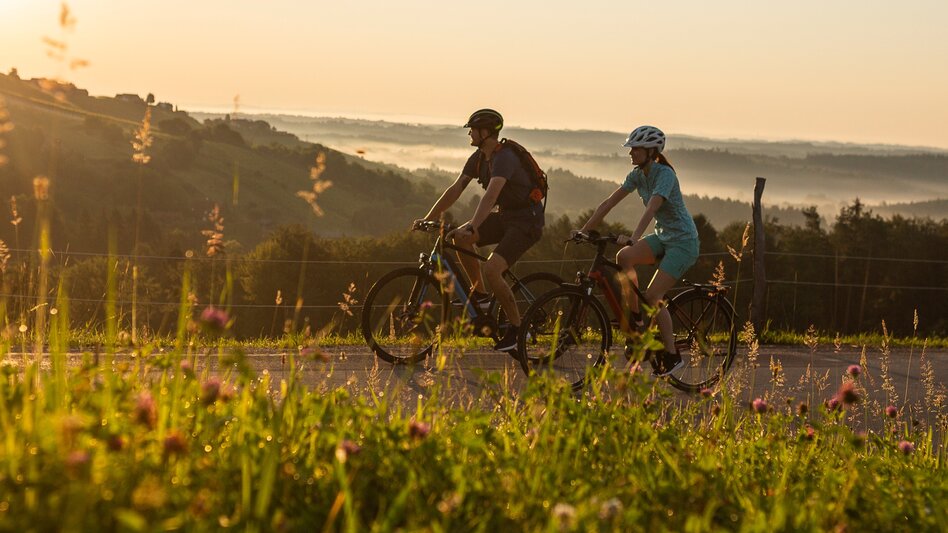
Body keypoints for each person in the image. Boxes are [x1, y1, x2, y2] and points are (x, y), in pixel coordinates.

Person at [414, 109, 545, 353]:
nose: (469, 133)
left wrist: (473, 225)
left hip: (527, 220)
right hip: (506, 216)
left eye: (472, 130)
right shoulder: (477, 159)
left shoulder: (504, 157)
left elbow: (491, 195)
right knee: (461, 239)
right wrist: (428, 218)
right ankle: (482, 297)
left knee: (492, 268)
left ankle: (517, 330)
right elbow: (455, 189)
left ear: (485, 132)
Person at [574, 125, 699, 375]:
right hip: (664, 237)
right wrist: (585, 230)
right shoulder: (637, 175)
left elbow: (652, 208)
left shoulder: (665, 174)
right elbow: (609, 202)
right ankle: (637, 320)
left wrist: (634, 237)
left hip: (683, 242)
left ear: (651, 151)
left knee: (653, 297)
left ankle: (672, 355)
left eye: (635, 149)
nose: (630, 153)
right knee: (624, 257)